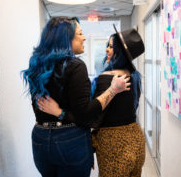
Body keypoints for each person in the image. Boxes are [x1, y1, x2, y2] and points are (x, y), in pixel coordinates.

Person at [22, 17, 130, 177]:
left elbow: (39, 108)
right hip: (68, 139)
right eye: (80, 33)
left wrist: (58, 112)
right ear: (66, 38)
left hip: (40, 138)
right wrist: (113, 90)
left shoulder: (37, 65)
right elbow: (86, 116)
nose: (84, 37)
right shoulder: (75, 65)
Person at [40, 25, 146, 177]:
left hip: (115, 144)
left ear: (121, 52)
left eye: (111, 46)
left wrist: (59, 112)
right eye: (107, 46)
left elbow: (90, 118)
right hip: (136, 139)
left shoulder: (108, 78)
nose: (107, 50)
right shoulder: (135, 76)